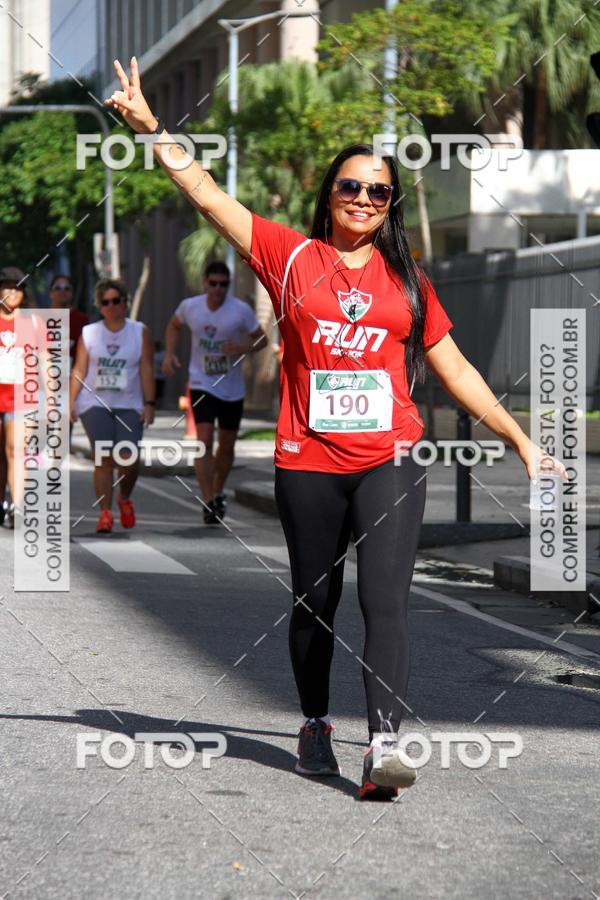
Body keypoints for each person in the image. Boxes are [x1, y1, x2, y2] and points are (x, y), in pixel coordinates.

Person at [106, 58, 567, 800]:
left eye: (378, 191)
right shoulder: (290, 257)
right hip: (307, 461)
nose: (363, 198)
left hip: (390, 456)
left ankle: (384, 743)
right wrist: (154, 131)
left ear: (389, 206)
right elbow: (206, 194)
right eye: (350, 186)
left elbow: (455, 369)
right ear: (330, 196)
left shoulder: (409, 280)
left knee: (386, 600)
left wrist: (520, 439)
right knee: (313, 602)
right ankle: (316, 721)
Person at [162, 261, 267, 524]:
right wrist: (170, 354)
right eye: (213, 283)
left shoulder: (240, 310)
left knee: (227, 446)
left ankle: (218, 489)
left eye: (223, 284)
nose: (218, 289)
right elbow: (174, 325)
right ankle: (208, 500)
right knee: (204, 439)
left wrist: (242, 348)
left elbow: (261, 339)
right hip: (201, 383)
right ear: (205, 283)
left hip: (231, 388)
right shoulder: (191, 306)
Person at [70, 277, 155, 534]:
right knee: (104, 458)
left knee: (128, 458)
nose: (111, 306)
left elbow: (147, 368)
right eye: (105, 302)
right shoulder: (90, 333)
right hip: (94, 403)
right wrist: (69, 402)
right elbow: (80, 369)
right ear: (99, 305)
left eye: (116, 301)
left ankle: (125, 497)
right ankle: (105, 512)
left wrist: (150, 403)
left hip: (129, 403)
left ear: (125, 303)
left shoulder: (139, 331)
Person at [0, 267, 28, 529]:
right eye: (7, 286)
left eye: (17, 287)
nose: (12, 292)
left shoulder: (32, 323)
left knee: (15, 451)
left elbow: (44, 362)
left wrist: (52, 398)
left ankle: (17, 505)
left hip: (20, 397)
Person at [49, 274, 89, 369]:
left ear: (72, 293)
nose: (62, 291)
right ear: (50, 293)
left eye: (67, 288)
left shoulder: (82, 319)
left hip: (72, 377)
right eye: (58, 288)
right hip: (45, 378)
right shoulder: (39, 319)